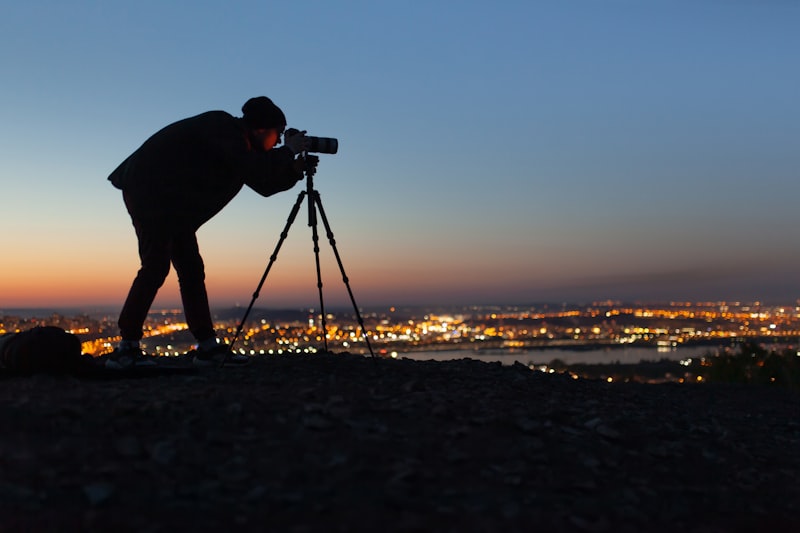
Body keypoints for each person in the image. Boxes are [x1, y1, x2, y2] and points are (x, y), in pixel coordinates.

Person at [106, 96, 314, 369]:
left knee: (191, 269)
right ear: (261, 128)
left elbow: (263, 182)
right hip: (151, 192)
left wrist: (294, 171)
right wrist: (288, 152)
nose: (277, 142)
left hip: (175, 204)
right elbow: (252, 166)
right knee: (155, 267)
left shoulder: (239, 144)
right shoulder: (222, 127)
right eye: (277, 135)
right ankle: (127, 349)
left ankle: (207, 347)